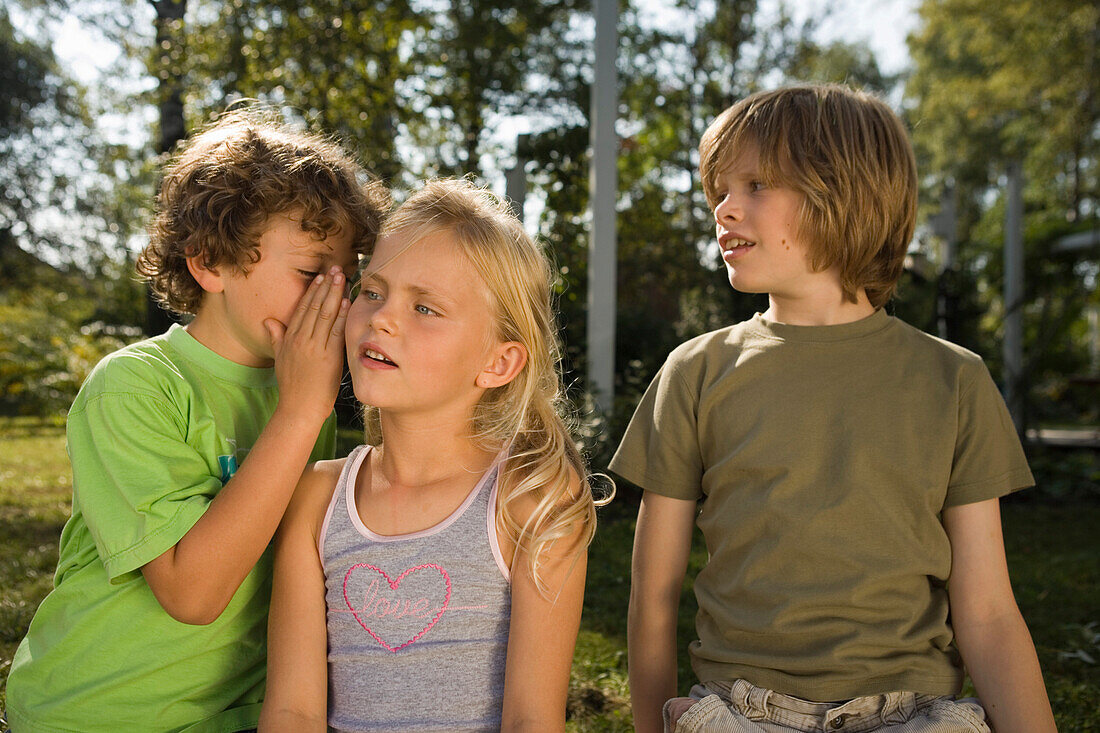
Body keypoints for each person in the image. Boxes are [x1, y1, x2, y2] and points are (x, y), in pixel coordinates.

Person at [614, 84, 1058, 733]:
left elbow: (987, 611)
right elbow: (652, 600)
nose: (724, 207)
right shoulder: (695, 372)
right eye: (720, 189)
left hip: (916, 712)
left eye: (756, 184)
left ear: (843, 192)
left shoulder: (954, 379)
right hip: (741, 709)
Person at [5, 110, 389, 733]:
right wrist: (301, 413)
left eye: (347, 276)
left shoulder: (296, 393)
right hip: (98, 714)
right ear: (209, 263)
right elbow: (192, 594)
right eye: (311, 272)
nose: (335, 297)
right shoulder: (134, 388)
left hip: (236, 715)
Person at [259, 178, 604, 733]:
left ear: (497, 363)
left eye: (425, 307)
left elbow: (531, 719)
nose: (382, 318)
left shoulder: (531, 498)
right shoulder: (316, 499)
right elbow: (292, 711)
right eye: (373, 291)